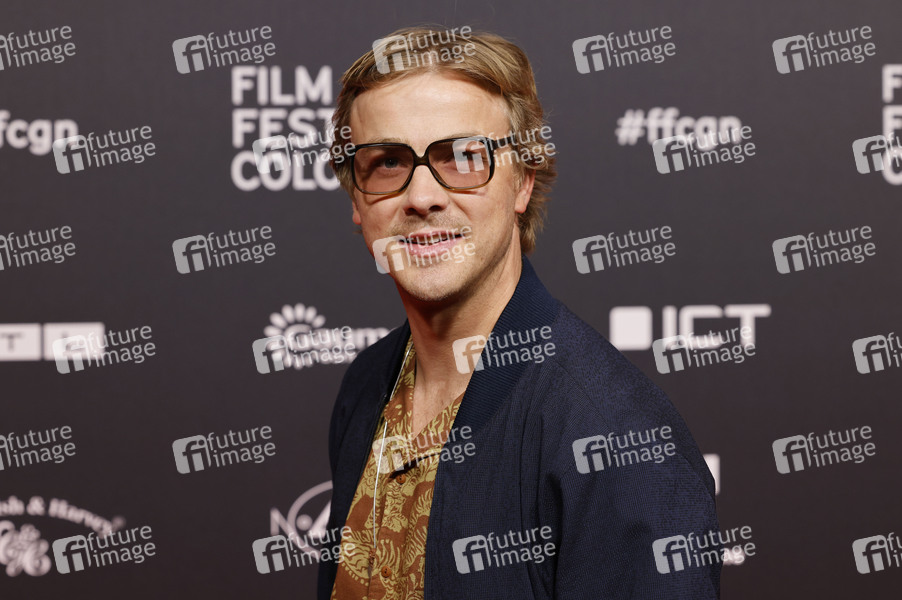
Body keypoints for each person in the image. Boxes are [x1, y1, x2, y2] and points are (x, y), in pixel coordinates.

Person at [318, 26, 720, 599]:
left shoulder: (614, 435)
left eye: (464, 157)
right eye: (387, 162)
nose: (422, 197)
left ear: (523, 182)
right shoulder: (365, 385)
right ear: (357, 199)